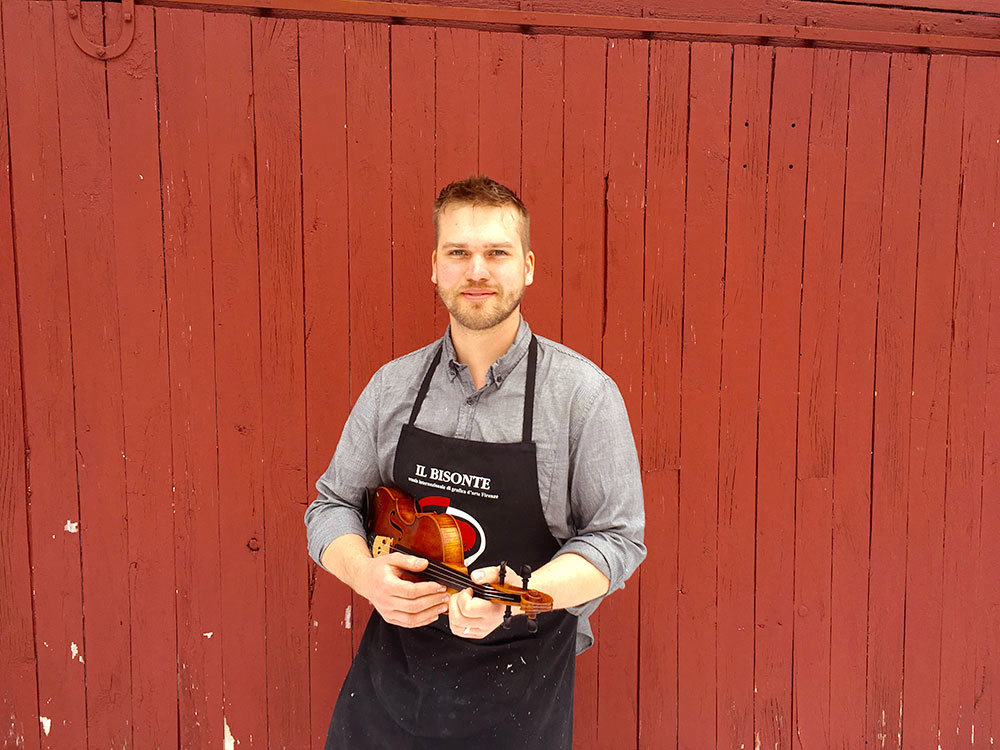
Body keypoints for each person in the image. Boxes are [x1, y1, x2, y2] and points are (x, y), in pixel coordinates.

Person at [305, 175, 645, 749]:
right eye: (459, 252)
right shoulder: (393, 388)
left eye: (496, 253)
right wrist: (367, 575)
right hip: (388, 699)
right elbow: (330, 507)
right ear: (434, 266)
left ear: (528, 266)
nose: (478, 270)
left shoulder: (583, 397)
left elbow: (617, 541)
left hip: (522, 701)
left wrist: (515, 597)